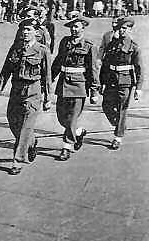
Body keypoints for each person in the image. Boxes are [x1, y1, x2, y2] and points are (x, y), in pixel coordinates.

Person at [0, 18, 51, 175]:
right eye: (23, 29)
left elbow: (47, 76)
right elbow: (5, 71)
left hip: (33, 91)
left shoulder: (42, 50)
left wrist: (48, 98)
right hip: (16, 90)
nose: (25, 32)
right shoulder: (16, 49)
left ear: (36, 32)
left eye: (29, 30)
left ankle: (17, 160)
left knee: (26, 126)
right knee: (13, 121)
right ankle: (31, 142)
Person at [51, 16, 99, 161]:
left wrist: (94, 90)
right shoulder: (65, 42)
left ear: (83, 28)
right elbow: (58, 62)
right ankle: (78, 132)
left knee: (72, 118)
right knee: (61, 117)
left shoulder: (89, 45)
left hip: (79, 85)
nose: (73, 29)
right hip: (63, 83)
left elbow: (93, 69)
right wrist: (49, 79)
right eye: (72, 26)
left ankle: (67, 147)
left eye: (77, 26)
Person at [100, 16, 143, 150]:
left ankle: (118, 137)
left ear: (130, 30)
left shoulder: (134, 47)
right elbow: (106, 64)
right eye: (120, 28)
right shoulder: (112, 44)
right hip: (111, 80)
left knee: (122, 109)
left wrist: (138, 88)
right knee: (106, 105)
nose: (122, 31)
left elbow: (139, 68)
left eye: (125, 28)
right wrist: (102, 82)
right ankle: (119, 124)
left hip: (125, 82)